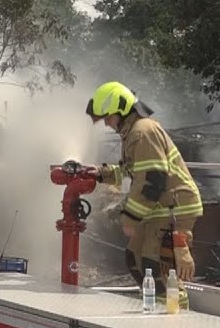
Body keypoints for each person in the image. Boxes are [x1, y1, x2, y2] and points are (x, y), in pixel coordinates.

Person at [86, 81, 200, 302]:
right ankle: (156, 302)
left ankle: (173, 314)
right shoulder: (134, 133)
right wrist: (101, 173)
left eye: (108, 118)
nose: (108, 125)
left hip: (175, 207)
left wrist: (131, 217)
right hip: (161, 206)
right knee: (135, 257)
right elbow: (134, 170)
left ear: (122, 109)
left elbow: (152, 180)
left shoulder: (142, 131)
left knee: (154, 264)